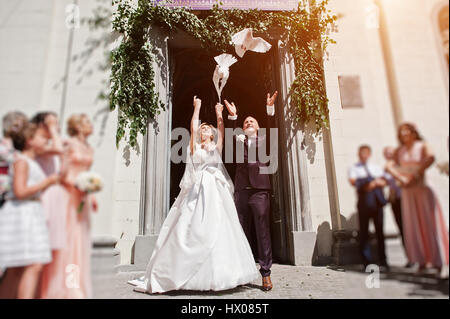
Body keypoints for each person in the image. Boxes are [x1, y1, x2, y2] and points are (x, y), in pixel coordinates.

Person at [129, 96, 259, 294]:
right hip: (197, 190)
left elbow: (221, 129)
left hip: (214, 190)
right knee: (191, 226)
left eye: (208, 128)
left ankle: (222, 273)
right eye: (203, 128)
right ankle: (184, 272)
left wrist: (219, 114)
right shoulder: (194, 147)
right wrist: (197, 107)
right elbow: (192, 126)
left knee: (220, 226)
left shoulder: (217, 146)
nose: (205, 129)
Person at [223, 91, 278, 291]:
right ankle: (243, 271)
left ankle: (265, 273)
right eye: (245, 122)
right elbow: (228, 134)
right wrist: (233, 117)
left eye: (252, 121)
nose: (248, 123)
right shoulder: (237, 140)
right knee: (241, 232)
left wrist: (269, 110)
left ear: (258, 127)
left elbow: (272, 128)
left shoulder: (265, 139)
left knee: (262, 231)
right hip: (241, 191)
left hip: (260, 191)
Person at [39, 114, 97, 298]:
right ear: (78, 126)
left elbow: (87, 172)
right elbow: (62, 174)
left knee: (79, 243)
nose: (90, 124)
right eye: (87, 121)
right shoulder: (69, 144)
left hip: (82, 200)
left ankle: (75, 285)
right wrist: (78, 185)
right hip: (68, 199)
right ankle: (63, 287)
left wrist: (92, 193)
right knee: (67, 244)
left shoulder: (89, 147)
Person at [0, 122, 59, 298]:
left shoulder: (27, 162)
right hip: (22, 215)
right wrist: (47, 182)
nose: (46, 140)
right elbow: (19, 191)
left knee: (18, 267)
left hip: (31, 213)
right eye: (42, 137)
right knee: (32, 265)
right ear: (29, 140)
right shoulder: (22, 162)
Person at [386, 123, 449, 277]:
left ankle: (440, 262)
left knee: (430, 223)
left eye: (407, 131)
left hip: (422, 187)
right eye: (401, 132)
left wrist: (416, 174)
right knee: (412, 225)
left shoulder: (422, 145)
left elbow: (431, 158)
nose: (404, 134)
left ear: (414, 132)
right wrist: (399, 176)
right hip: (407, 191)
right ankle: (421, 261)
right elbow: (389, 165)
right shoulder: (399, 151)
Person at [348, 145, 389, 270]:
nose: (363, 155)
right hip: (364, 203)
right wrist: (371, 183)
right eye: (361, 153)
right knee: (364, 233)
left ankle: (383, 260)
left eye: (366, 153)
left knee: (380, 232)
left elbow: (384, 181)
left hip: (376, 203)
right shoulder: (354, 168)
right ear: (358, 154)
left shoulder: (375, 167)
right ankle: (367, 261)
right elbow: (354, 182)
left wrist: (373, 183)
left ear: (369, 154)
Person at [0, 112, 28, 207]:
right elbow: (12, 159)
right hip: (3, 188)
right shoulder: (2, 145)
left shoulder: (21, 146)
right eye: (17, 126)